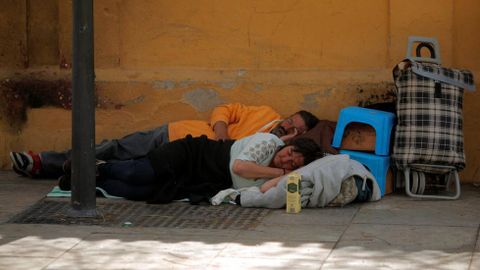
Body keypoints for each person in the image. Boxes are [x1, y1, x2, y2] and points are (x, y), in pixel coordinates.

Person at [10, 103, 319, 179]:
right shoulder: (265, 112)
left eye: (296, 129)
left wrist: (283, 138)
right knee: (114, 147)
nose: (288, 126)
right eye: (290, 120)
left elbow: (248, 157)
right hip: (176, 134)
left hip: (187, 158)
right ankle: (44, 162)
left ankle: (63, 170)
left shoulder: (274, 148)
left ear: (299, 136)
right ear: (287, 114)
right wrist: (221, 129)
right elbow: (225, 108)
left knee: (120, 165)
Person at [58, 133, 323, 204]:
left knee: (141, 191)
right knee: (138, 173)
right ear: (287, 146)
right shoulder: (268, 143)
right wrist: (281, 174)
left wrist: (290, 177)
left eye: (293, 164)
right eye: (289, 154)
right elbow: (241, 167)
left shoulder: (287, 173)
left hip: (202, 180)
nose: (286, 161)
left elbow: (264, 189)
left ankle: (86, 183)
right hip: (193, 155)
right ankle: (96, 166)